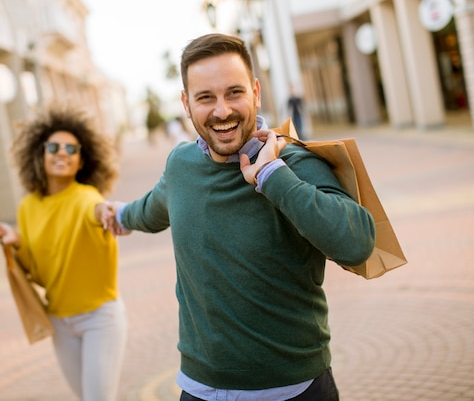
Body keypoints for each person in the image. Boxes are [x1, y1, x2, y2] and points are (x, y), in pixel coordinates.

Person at [103, 33, 376, 401]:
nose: (222, 111)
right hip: (198, 388)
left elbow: (356, 244)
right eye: (205, 97)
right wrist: (118, 214)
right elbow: (152, 209)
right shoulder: (181, 164)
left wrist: (272, 177)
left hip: (293, 389)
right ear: (186, 103)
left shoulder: (293, 163)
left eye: (234, 92)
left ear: (256, 92)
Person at [0, 109, 127, 401]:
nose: (61, 153)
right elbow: (37, 273)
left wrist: (108, 212)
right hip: (59, 323)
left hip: (99, 319)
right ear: (40, 155)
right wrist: (16, 242)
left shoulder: (86, 197)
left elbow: (95, 209)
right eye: (53, 147)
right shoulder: (28, 207)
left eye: (71, 149)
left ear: (81, 160)